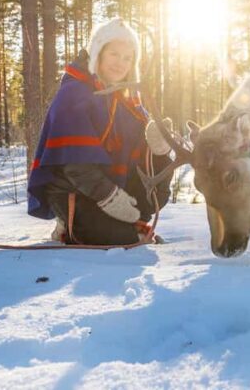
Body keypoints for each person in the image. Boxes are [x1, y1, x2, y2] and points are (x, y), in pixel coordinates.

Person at [27, 18, 174, 245]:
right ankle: (69, 225)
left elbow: (145, 161)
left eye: (128, 58)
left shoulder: (128, 100)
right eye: (114, 54)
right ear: (98, 53)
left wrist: (160, 150)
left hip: (114, 183)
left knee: (143, 212)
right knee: (126, 239)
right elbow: (75, 166)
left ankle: (116, 225)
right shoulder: (74, 94)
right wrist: (110, 198)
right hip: (74, 190)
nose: (120, 63)